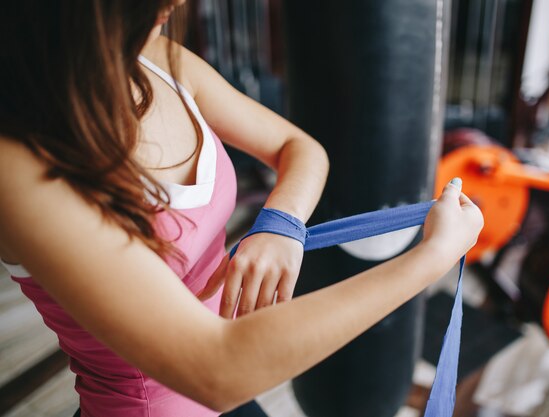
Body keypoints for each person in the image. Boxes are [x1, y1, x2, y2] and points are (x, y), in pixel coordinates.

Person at [0, 1, 484, 417]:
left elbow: (299, 146)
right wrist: (431, 258)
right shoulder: (20, 169)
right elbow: (217, 367)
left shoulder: (155, 60)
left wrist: (281, 221)